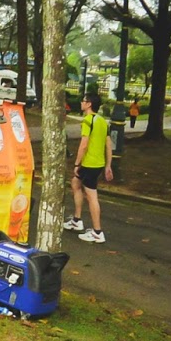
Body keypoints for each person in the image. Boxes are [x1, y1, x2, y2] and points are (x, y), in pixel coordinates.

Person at [64, 86, 113, 243]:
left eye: (83, 100)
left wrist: (77, 163)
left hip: (89, 164)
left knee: (92, 196)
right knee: (75, 183)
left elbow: (83, 144)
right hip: (97, 164)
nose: (81, 102)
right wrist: (108, 165)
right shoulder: (102, 121)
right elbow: (108, 144)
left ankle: (97, 232)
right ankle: (77, 220)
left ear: (89, 104)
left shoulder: (88, 121)